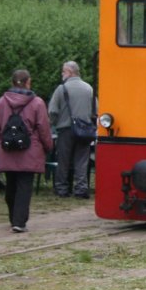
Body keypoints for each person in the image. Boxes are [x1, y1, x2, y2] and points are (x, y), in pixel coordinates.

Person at [0, 69, 53, 232]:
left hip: (7, 149)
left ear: (12, 82)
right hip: (29, 150)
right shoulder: (37, 103)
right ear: (28, 82)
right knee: (24, 187)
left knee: (11, 184)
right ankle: (19, 221)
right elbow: (44, 128)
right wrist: (48, 146)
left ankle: (13, 218)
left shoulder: (1, 102)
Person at [47, 61, 96, 199]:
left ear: (69, 72)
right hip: (84, 130)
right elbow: (95, 111)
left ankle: (62, 188)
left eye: (63, 71)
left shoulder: (61, 89)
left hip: (66, 129)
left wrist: (53, 125)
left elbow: (52, 111)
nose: (62, 74)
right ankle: (81, 189)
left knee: (63, 160)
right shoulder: (89, 89)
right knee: (82, 160)